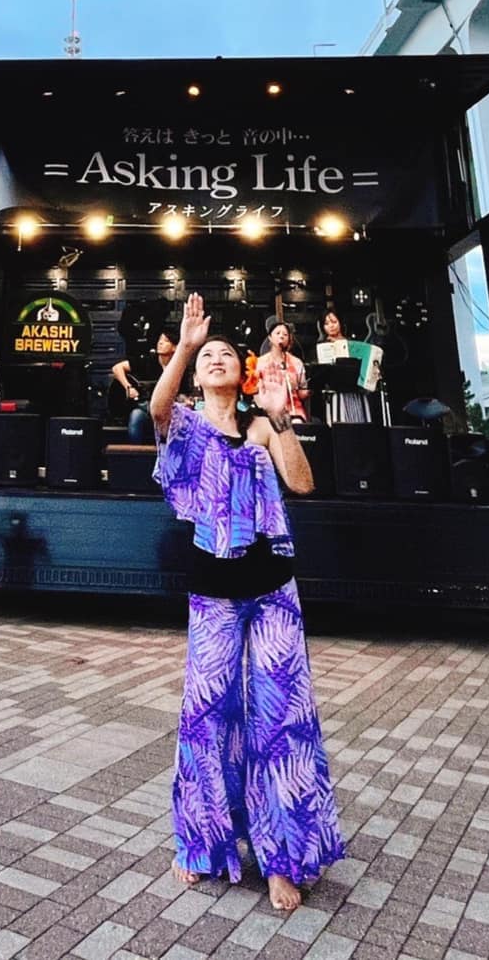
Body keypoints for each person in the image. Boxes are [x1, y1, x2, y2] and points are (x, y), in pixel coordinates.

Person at [152, 292, 344, 913]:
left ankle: (283, 860)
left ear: (244, 373)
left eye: (226, 354)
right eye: (207, 355)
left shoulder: (261, 426)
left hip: (272, 591)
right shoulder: (184, 423)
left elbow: (303, 484)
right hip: (213, 593)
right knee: (208, 716)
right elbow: (156, 407)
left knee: (281, 720)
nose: (216, 359)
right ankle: (203, 842)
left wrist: (281, 420)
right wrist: (184, 344)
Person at [255, 322, 311, 423]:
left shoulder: (296, 362)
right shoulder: (260, 362)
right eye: (278, 333)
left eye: (285, 334)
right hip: (268, 411)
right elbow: (255, 391)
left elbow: (302, 393)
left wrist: (305, 390)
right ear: (270, 337)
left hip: (293, 411)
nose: (281, 336)